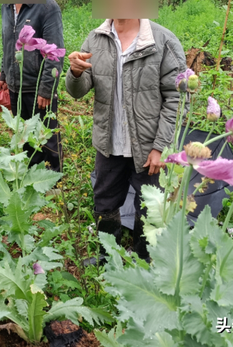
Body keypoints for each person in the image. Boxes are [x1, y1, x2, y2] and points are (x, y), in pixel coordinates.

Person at [66, 17, 186, 262]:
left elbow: (177, 99)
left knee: (150, 205)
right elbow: (77, 91)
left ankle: (143, 261)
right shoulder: (95, 39)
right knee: (104, 200)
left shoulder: (162, 41)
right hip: (109, 143)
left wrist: (160, 146)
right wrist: (75, 73)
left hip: (147, 146)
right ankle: (108, 257)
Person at [0, 0, 64, 172]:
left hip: (37, 88)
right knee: (23, 135)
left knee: (46, 138)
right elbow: (7, 43)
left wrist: (47, 88)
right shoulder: (7, 5)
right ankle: (29, 178)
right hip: (15, 87)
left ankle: (53, 184)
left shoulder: (47, 6)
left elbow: (55, 50)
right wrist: (4, 74)